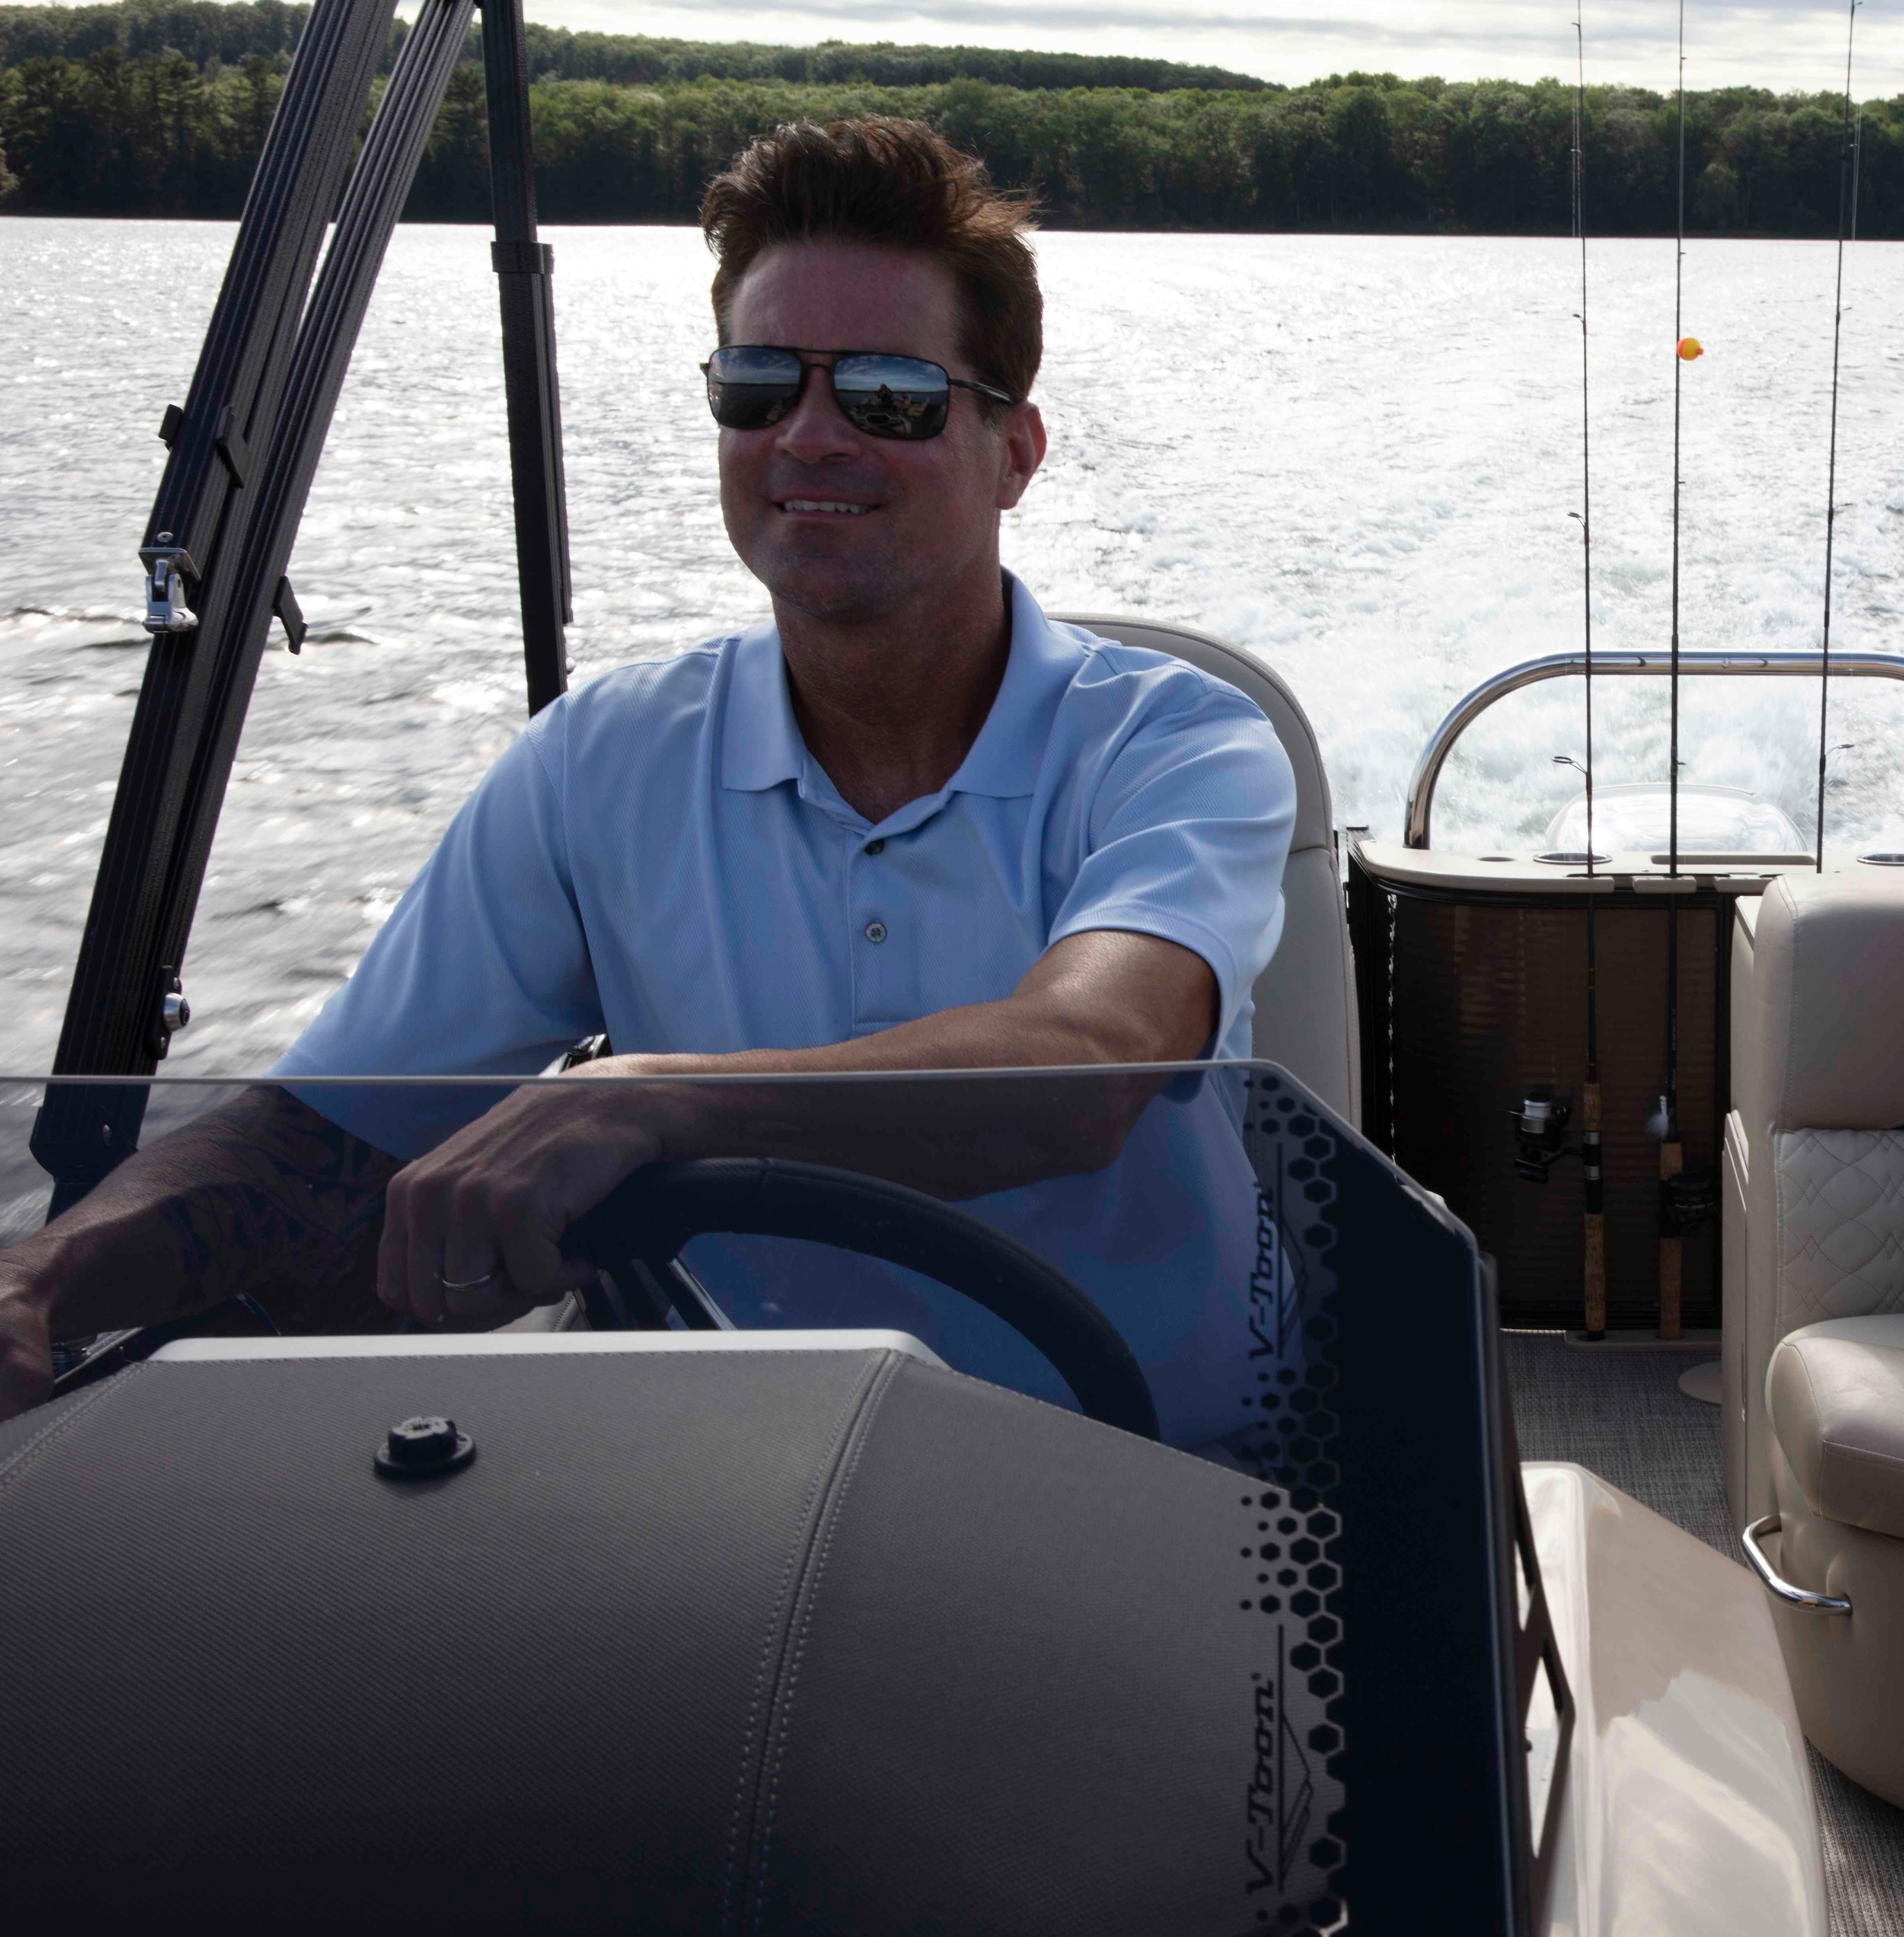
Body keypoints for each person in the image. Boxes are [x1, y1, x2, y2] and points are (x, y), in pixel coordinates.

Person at [0, 116, 1297, 1429]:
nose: (809, 437)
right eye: (757, 385)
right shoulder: (601, 763)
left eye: (888, 396)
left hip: (1167, 1477)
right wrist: (44, 1282)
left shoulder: (1176, 744)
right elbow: (321, 1137)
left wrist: (647, 1104)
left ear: (1014, 451)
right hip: (722, 1499)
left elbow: (1088, 1063)